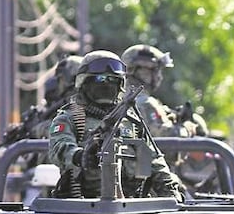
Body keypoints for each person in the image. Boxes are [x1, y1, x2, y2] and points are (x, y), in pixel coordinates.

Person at [47, 50, 183, 200]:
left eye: (112, 80)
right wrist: (80, 156)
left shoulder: (131, 120)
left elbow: (154, 158)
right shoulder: (69, 118)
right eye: (100, 79)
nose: (106, 84)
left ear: (120, 84)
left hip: (131, 205)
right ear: (84, 82)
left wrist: (168, 187)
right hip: (82, 205)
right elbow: (59, 147)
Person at [121, 44, 210, 138]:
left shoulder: (119, 98)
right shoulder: (145, 103)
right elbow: (167, 136)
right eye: (156, 70)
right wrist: (187, 127)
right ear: (138, 70)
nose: (160, 76)